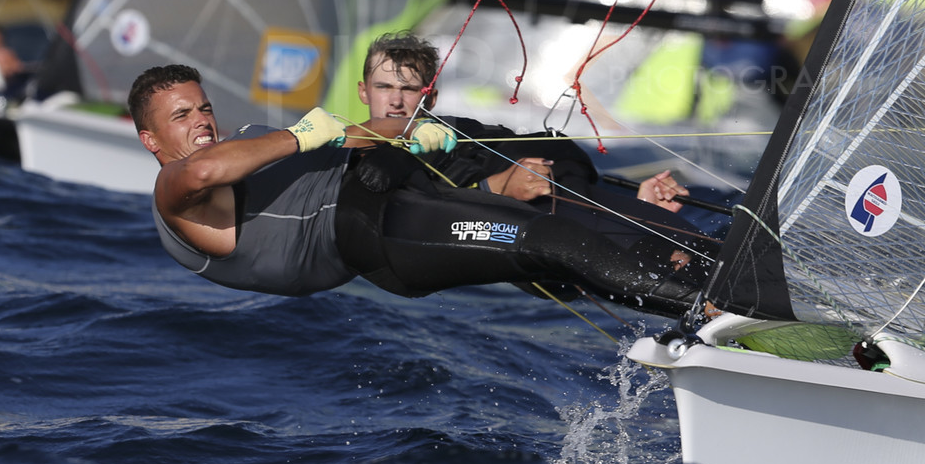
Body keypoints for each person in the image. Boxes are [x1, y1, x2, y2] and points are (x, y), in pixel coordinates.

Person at [134, 64, 707, 316]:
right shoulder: (174, 190)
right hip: (373, 234)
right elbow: (205, 173)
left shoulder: (248, 140)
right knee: (547, 242)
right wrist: (302, 134)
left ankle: (694, 254)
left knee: (547, 168)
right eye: (182, 117)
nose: (201, 123)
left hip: (393, 179)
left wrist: (412, 132)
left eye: (204, 108)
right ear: (150, 139)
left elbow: (355, 135)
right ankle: (706, 307)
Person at [356, 30, 689, 211]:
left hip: (555, 184)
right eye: (384, 87)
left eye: (409, 89)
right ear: (364, 92)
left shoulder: (461, 133)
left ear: (430, 98)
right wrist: (495, 188)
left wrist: (641, 209)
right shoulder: (347, 150)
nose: (396, 101)